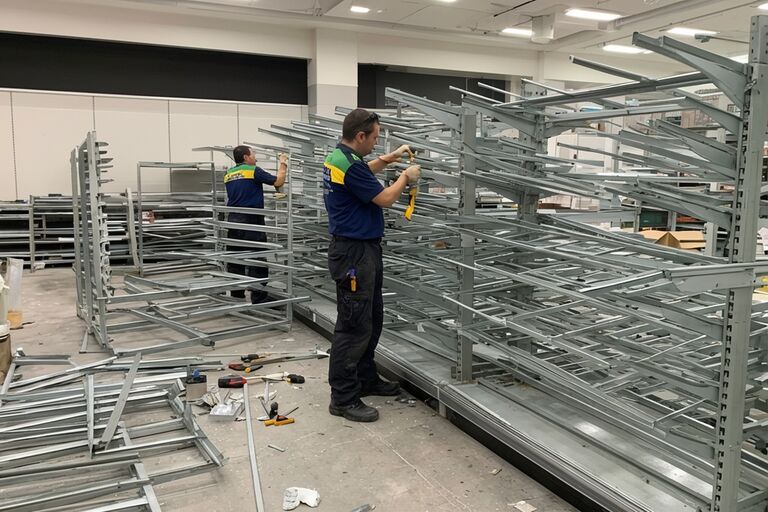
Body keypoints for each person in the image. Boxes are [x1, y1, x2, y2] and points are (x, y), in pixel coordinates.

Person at [323, 108, 421, 422]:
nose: (376, 144)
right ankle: (343, 397)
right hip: (353, 254)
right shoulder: (349, 166)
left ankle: (365, 378)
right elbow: (383, 199)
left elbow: (364, 169)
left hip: (362, 250)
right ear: (360, 136)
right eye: (375, 138)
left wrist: (390, 159)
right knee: (353, 326)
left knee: (371, 318)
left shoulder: (342, 158)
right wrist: (406, 177)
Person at [224, 145, 287, 304]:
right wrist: (283, 163)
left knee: (235, 259)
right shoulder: (253, 170)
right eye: (254, 154)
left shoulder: (229, 174)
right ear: (246, 157)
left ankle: (236, 295)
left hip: (233, 221)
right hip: (252, 221)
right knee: (257, 260)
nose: (256, 157)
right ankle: (259, 298)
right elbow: (278, 180)